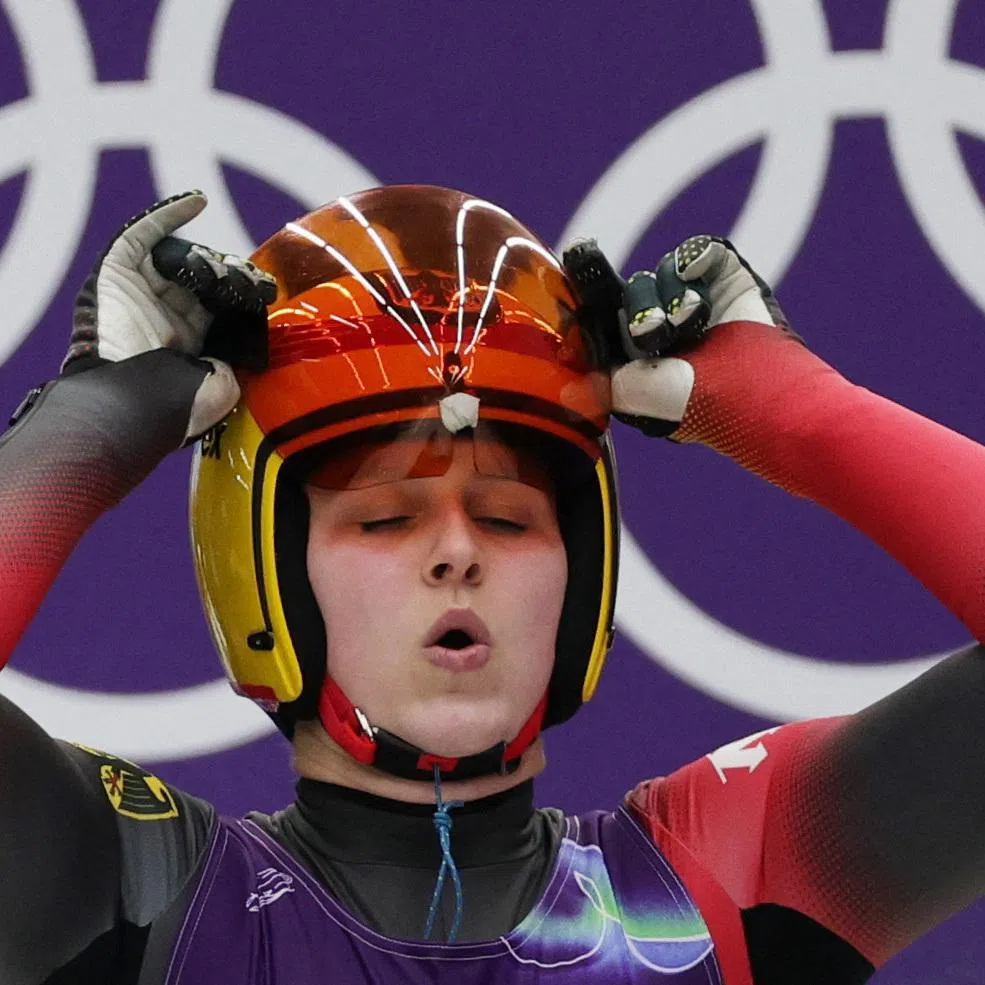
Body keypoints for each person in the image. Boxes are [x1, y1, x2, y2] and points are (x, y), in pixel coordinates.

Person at [0, 184, 983, 985]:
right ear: (267, 580)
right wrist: (90, 424)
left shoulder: (719, 880)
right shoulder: (131, 883)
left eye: (509, 517)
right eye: (386, 517)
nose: (456, 554)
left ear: (581, 577)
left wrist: (791, 409)